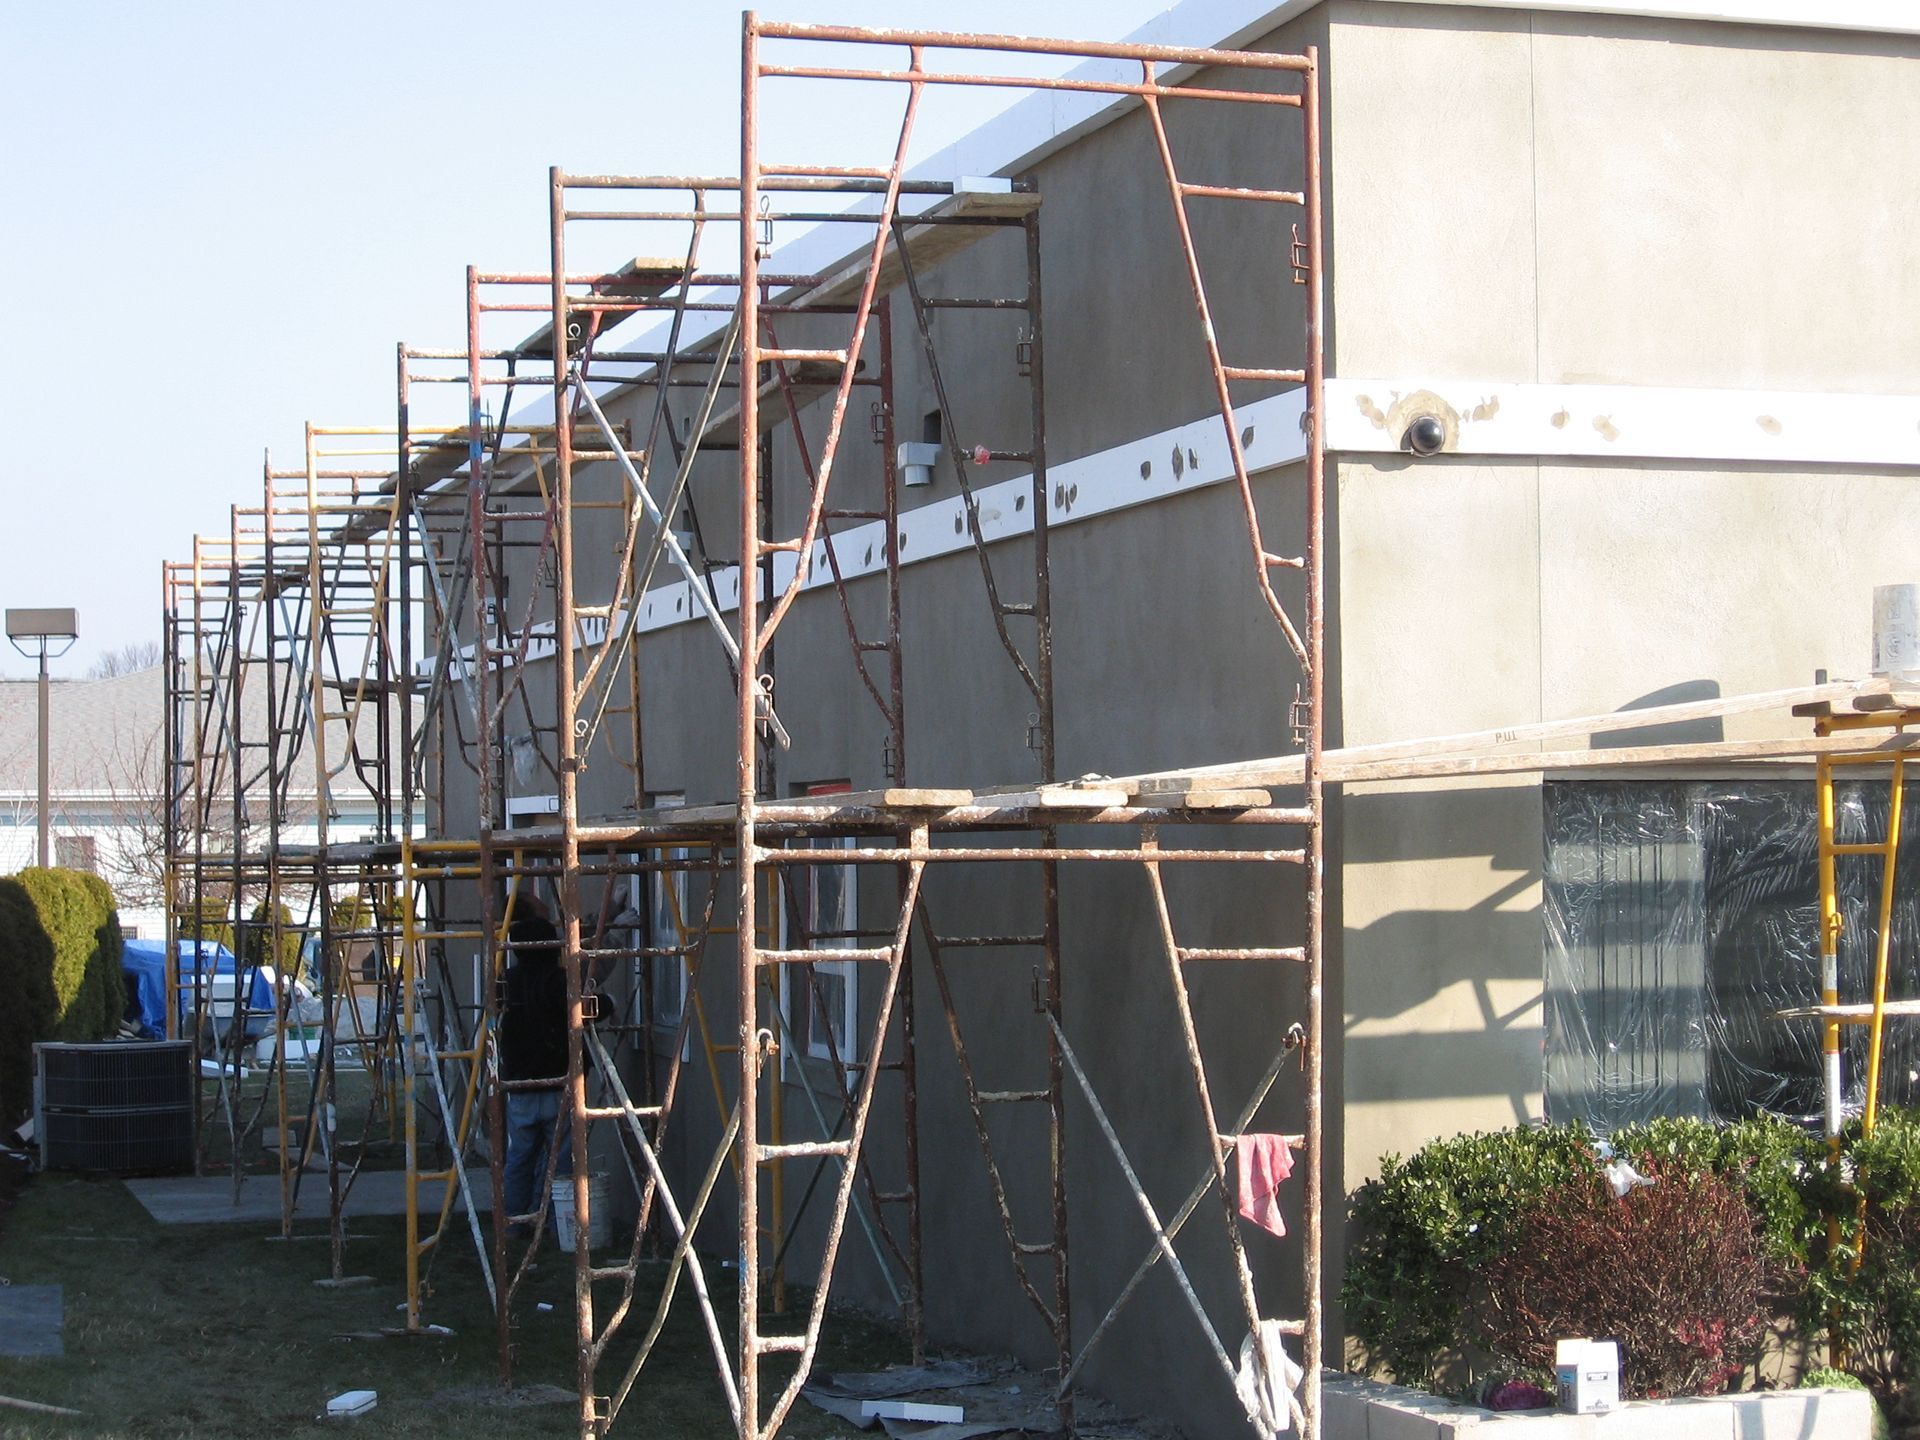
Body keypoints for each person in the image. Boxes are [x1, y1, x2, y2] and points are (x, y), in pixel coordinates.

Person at [497, 891, 572, 1227]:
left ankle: (514, 1222)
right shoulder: (558, 982)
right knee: (563, 1161)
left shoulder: (506, 983)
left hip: (521, 1085)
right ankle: (561, 1226)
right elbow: (588, 1005)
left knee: (520, 1158)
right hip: (559, 1082)